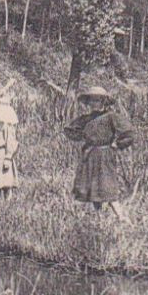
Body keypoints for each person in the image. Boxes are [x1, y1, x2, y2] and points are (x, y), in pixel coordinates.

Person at [63, 86, 135, 218]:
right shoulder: (86, 119)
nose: (94, 103)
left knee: (107, 186)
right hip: (89, 155)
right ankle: (98, 217)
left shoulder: (111, 117)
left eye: (97, 100)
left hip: (105, 156)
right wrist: (84, 137)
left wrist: (117, 144)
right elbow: (70, 130)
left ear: (103, 101)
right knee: (92, 187)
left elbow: (129, 134)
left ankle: (122, 217)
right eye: (91, 100)